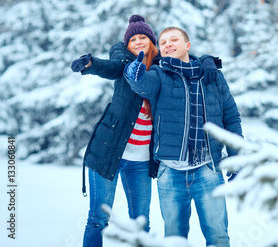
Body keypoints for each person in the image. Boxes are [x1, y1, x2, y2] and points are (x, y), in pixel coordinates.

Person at [70, 15, 219, 247]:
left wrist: (208, 60)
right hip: (108, 153)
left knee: (141, 223)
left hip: (141, 161)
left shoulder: (164, 67)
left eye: (143, 37)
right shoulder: (125, 65)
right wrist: (90, 65)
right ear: (127, 46)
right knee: (98, 219)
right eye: (133, 40)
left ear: (153, 42)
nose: (138, 42)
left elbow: (185, 58)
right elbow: (109, 66)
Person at [124, 26, 243, 247]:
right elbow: (144, 85)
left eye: (174, 39)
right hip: (170, 172)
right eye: (163, 42)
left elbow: (231, 118)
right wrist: (134, 75)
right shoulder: (158, 75)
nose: (168, 44)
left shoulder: (212, 76)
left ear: (187, 45)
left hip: (208, 169)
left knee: (218, 237)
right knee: (174, 240)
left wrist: (237, 159)